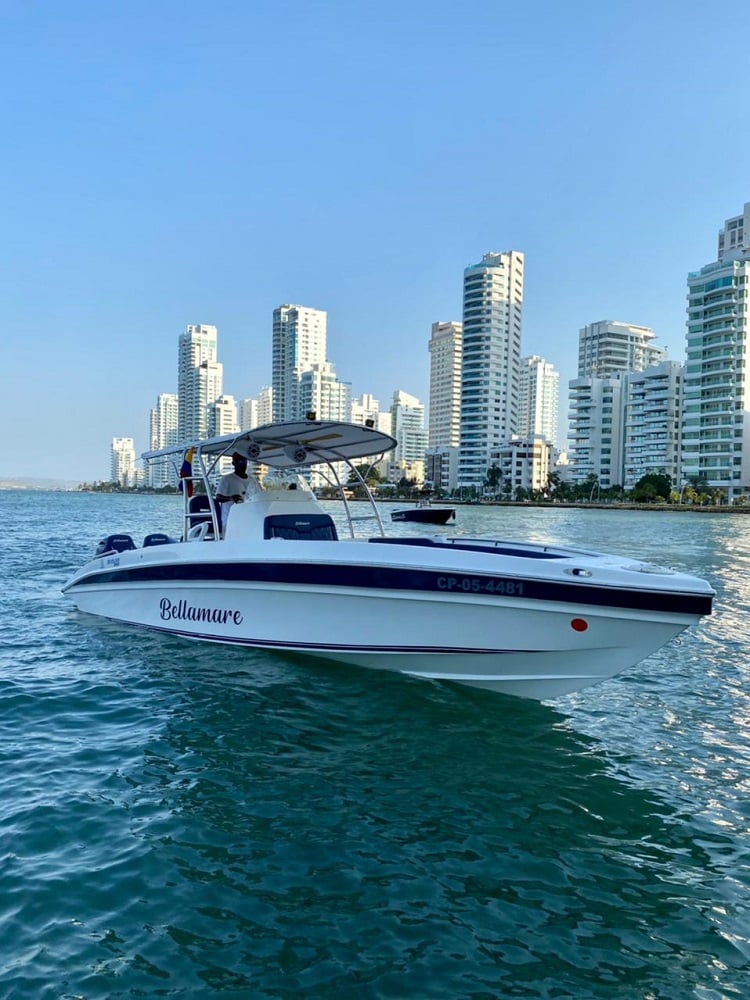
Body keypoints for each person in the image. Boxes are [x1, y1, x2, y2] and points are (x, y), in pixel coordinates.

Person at [215, 452, 250, 533]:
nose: (242, 464)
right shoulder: (226, 479)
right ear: (233, 463)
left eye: (244, 461)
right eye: (240, 461)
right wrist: (231, 498)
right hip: (230, 520)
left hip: (248, 518)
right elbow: (218, 497)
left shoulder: (252, 480)